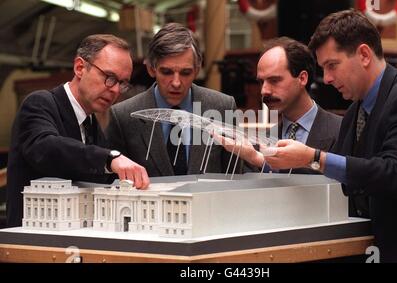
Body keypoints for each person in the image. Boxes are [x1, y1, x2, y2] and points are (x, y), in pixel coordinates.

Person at [264, 9, 397, 262]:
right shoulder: (354, 111)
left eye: (332, 65)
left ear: (363, 54)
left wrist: (313, 157)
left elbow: (395, 174)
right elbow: (348, 179)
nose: (327, 79)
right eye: (323, 69)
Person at [7, 34, 150, 227]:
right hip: (34, 240)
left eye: (122, 83)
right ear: (80, 68)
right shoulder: (40, 103)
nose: (115, 90)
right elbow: (46, 148)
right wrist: (110, 158)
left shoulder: (91, 124)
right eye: (109, 78)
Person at [106, 23, 239, 177]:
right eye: (167, 72)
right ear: (151, 69)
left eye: (185, 73)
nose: (176, 83)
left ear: (197, 70)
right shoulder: (123, 116)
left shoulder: (223, 107)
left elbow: (234, 176)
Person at [216, 37, 341, 173]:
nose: (264, 91)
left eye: (274, 80)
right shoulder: (258, 145)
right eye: (261, 82)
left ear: (302, 78)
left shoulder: (341, 130)